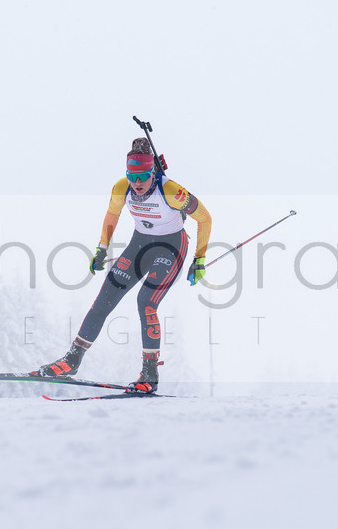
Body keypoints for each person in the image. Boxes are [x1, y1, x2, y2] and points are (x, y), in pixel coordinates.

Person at [35, 137, 212, 393]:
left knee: (146, 302)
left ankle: (149, 375)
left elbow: (204, 218)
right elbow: (112, 215)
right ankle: (71, 360)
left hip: (171, 247)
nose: (137, 183)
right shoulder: (122, 188)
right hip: (139, 244)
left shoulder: (172, 191)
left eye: (143, 176)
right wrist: (101, 248)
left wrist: (200, 259)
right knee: (105, 297)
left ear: (153, 172)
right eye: (132, 176)